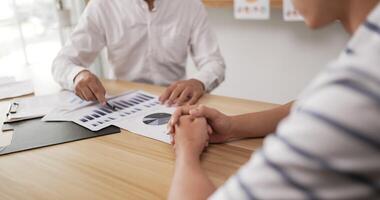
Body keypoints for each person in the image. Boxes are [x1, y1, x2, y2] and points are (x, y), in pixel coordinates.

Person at [168, 0, 380, 199]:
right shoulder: (368, 53)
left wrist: (187, 150)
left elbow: (334, 108)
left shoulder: (358, 90)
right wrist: (232, 126)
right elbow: (307, 105)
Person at [52, 0, 225, 106]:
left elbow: (214, 62)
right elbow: (62, 62)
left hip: (175, 103)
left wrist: (199, 82)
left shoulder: (190, 4)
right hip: (120, 105)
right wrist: (78, 75)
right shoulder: (102, 5)